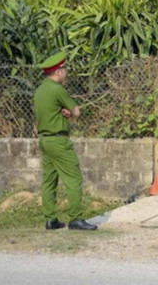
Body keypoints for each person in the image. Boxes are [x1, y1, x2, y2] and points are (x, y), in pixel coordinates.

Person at [34, 52, 97, 231]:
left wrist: (64, 113)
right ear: (58, 72)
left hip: (44, 140)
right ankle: (76, 219)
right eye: (65, 69)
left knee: (48, 180)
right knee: (74, 179)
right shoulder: (58, 89)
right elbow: (76, 112)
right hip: (59, 141)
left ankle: (51, 219)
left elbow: (48, 113)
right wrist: (71, 112)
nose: (66, 72)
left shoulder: (39, 90)